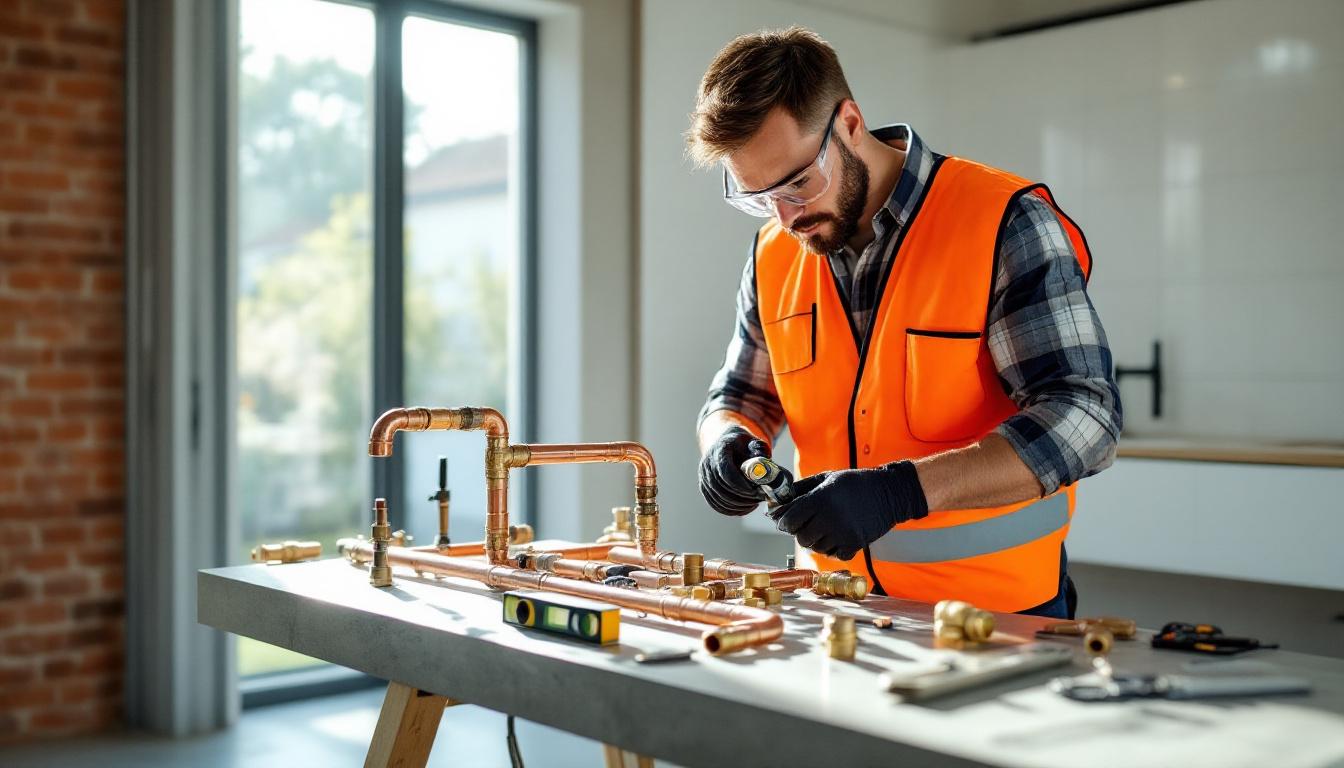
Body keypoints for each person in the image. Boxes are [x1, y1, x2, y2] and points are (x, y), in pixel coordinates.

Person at [690, 27, 1122, 619]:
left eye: (797, 183)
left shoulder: (1003, 222)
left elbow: (1086, 417)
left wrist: (902, 490)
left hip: (998, 616)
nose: (786, 217)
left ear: (848, 123)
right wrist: (724, 443)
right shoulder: (774, 251)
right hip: (832, 609)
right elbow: (741, 394)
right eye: (759, 196)